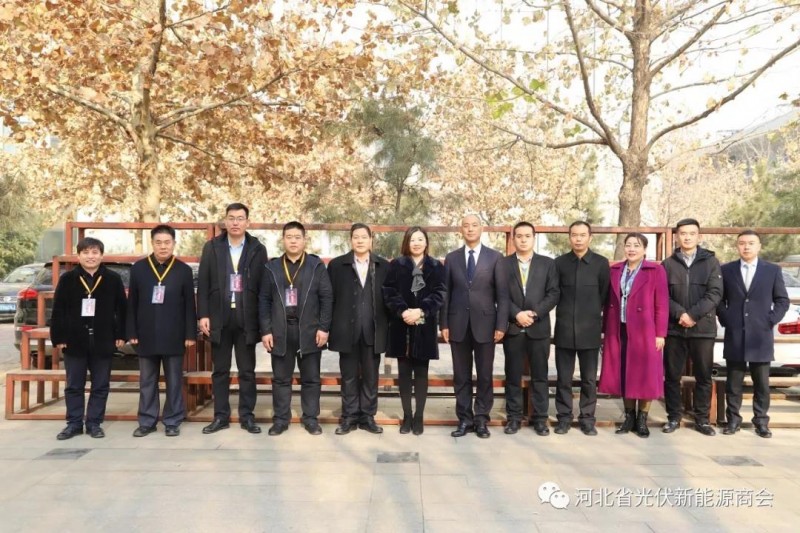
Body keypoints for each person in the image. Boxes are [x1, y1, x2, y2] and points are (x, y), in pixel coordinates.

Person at [197, 202, 268, 435]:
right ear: (225, 221)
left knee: (247, 371)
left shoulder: (257, 248)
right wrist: (203, 314)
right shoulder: (212, 247)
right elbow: (203, 283)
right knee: (220, 371)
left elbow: (263, 287)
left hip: (246, 318)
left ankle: (247, 416)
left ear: (247, 222)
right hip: (219, 317)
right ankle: (221, 416)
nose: (235, 222)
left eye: (240, 218)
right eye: (231, 218)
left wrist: (262, 320)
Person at [259, 221, 333, 436]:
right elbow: (264, 300)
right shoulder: (272, 267)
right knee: (281, 379)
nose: (293, 241)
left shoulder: (316, 265)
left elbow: (327, 298)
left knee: (311, 379)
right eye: (289, 237)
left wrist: (324, 328)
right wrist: (266, 330)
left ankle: (310, 419)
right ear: (283, 240)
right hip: (280, 330)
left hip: (309, 330)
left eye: (297, 237)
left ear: (304, 240)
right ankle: (281, 420)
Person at [50, 237, 127, 440]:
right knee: (74, 385)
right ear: (79, 256)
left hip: (103, 340)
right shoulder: (68, 279)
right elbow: (58, 310)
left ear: (101, 255)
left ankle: (94, 423)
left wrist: (121, 334)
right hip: (74, 340)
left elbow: (122, 309)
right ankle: (74, 424)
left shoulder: (113, 279)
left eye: (94, 252)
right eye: (86, 252)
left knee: (100, 385)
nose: (90, 256)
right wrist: (59, 336)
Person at [441, 214, 509, 439]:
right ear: (461, 230)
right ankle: (464, 419)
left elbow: (503, 295)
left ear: (482, 229)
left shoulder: (495, 258)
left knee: (485, 376)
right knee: (461, 376)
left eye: (474, 225)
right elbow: (445, 293)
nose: (470, 229)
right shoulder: (452, 258)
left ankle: (481, 420)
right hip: (457, 324)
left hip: (486, 325)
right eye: (466, 226)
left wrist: (501, 325)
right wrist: (444, 323)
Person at [718, 230, 789, 438]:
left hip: (761, 335)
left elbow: (782, 300)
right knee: (733, 383)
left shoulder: (772, 270)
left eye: (751, 243)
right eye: (742, 243)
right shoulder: (727, 270)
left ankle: (761, 421)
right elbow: (719, 300)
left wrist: (770, 320)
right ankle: (733, 420)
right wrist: (728, 319)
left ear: (759, 246)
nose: (746, 247)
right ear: (737, 246)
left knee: (762, 384)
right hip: (736, 334)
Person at [127, 225, 196, 438]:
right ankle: (147, 421)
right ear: (152, 243)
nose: (163, 246)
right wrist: (131, 331)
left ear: (174, 243)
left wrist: (190, 334)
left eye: (167, 242)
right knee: (147, 381)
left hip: (174, 334)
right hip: (145, 333)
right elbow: (132, 303)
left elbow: (189, 305)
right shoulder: (139, 268)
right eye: (158, 242)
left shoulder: (183, 270)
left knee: (174, 381)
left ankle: (173, 420)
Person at [599, 233, 668, 438]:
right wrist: (605, 330)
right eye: (628, 245)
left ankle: (642, 420)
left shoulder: (655, 270)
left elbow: (662, 304)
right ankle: (629, 417)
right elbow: (608, 302)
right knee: (624, 373)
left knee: (645, 375)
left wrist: (660, 334)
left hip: (645, 331)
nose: (631, 249)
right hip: (618, 329)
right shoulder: (615, 270)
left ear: (644, 249)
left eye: (636, 245)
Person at [661, 218, 723, 436]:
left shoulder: (711, 262)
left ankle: (702, 419)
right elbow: (662, 295)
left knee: (703, 376)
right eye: (683, 233)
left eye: (691, 233)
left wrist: (693, 315)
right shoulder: (668, 264)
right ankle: (673, 417)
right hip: (674, 328)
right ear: (676, 237)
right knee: (672, 376)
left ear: (699, 236)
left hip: (702, 329)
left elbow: (715, 293)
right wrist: (680, 314)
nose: (687, 237)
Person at [382, 227, 446, 435]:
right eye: (412, 240)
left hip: (424, 326)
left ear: (426, 242)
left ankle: (419, 417)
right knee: (403, 374)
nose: (416, 243)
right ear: (406, 243)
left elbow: (440, 293)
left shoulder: (435, 266)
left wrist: (421, 311)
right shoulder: (397, 265)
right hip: (401, 326)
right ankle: (407, 416)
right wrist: (403, 311)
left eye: (420, 239)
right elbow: (389, 291)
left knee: (421, 373)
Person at [328, 223, 390, 435]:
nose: (360, 240)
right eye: (356, 237)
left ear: (371, 239)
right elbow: (329, 298)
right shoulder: (337, 265)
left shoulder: (383, 266)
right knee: (349, 377)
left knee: (371, 377)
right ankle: (349, 416)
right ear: (351, 240)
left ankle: (368, 417)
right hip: (346, 330)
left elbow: (390, 299)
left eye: (364, 237)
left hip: (373, 330)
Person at [501, 222, 560, 436]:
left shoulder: (547, 264)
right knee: (513, 376)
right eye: (519, 236)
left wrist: (534, 313)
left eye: (527, 236)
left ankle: (540, 419)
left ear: (534, 238)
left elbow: (553, 293)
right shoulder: (503, 264)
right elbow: (500, 294)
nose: (523, 239)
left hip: (539, 328)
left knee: (540, 376)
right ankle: (514, 418)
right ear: (513, 239)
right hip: (514, 328)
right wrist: (517, 313)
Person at [553, 221, 610, 437]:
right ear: (569, 237)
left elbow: (604, 295)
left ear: (590, 237)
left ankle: (587, 419)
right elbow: (554, 293)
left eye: (582, 235)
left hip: (590, 329)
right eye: (574, 235)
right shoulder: (559, 263)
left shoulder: (601, 263)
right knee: (563, 378)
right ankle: (564, 418)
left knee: (589, 379)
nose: (578, 239)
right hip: (565, 328)